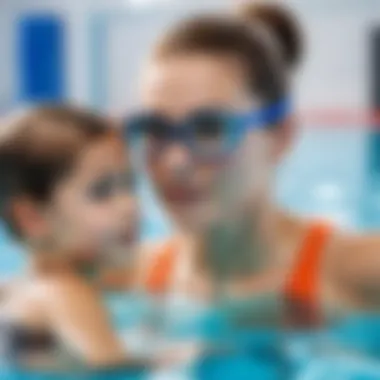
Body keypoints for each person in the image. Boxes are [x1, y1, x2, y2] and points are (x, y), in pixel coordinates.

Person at [122, 1, 380, 328]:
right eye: (155, 130)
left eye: (209, 129)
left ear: (280, 137)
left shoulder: (354, 273)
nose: (176, 161)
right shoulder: (131, 276)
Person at [0, 105, 139, 368]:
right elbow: (113, 373)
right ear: (32, 219)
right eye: (103, 191)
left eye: (129, 184)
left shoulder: (20, 289)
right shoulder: (67, 293)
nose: (129, 206)